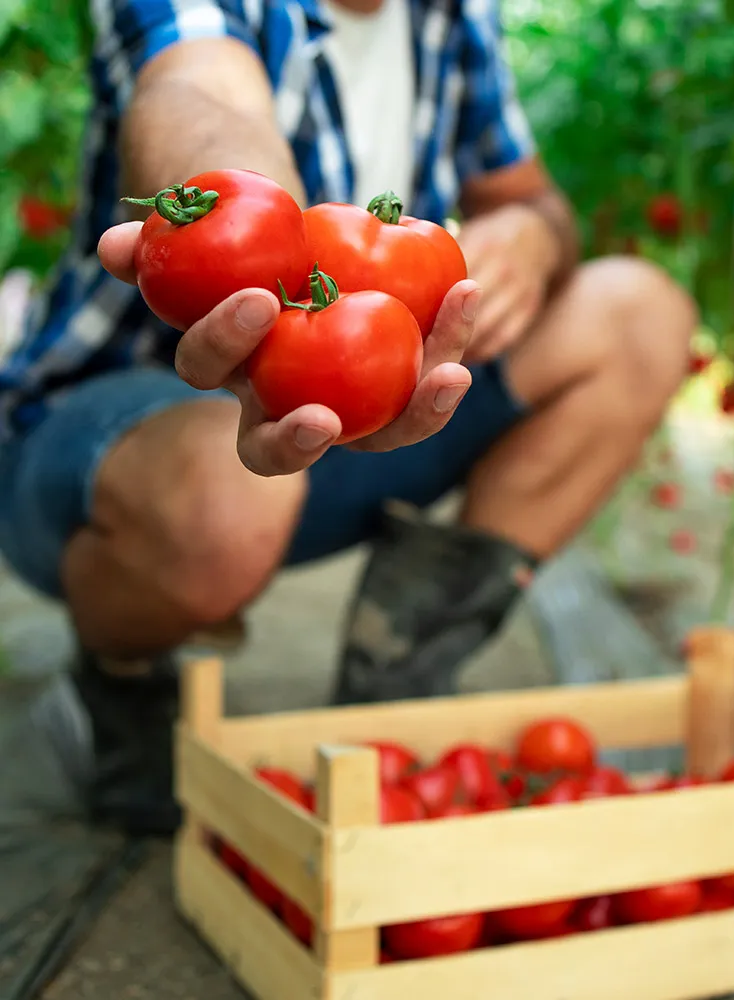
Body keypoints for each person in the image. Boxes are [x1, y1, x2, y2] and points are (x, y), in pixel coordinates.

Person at [0, 0, 697, 835]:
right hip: (120, 440)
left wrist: (530, 235)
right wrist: (243, 232)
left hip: (369, 403)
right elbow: (201, 93)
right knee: (225, 493)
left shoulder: (453, 15)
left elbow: (531, 197)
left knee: (639, 314)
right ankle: (121, 682)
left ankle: (401, 662)